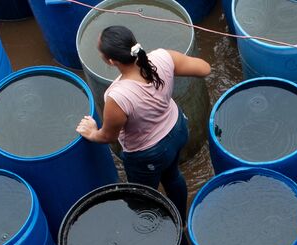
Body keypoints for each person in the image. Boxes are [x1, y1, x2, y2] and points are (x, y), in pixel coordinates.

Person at [76, 25, 210, 209]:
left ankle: (156, 228)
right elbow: (205, 69)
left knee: (143, 197)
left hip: (149, 153)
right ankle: (182, 220)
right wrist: (168, 72)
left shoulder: (117, 96)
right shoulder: (162, 57)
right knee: (172, 176)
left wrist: (92, 132)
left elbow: (108, 136)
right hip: (178, 129)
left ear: (111, 61)